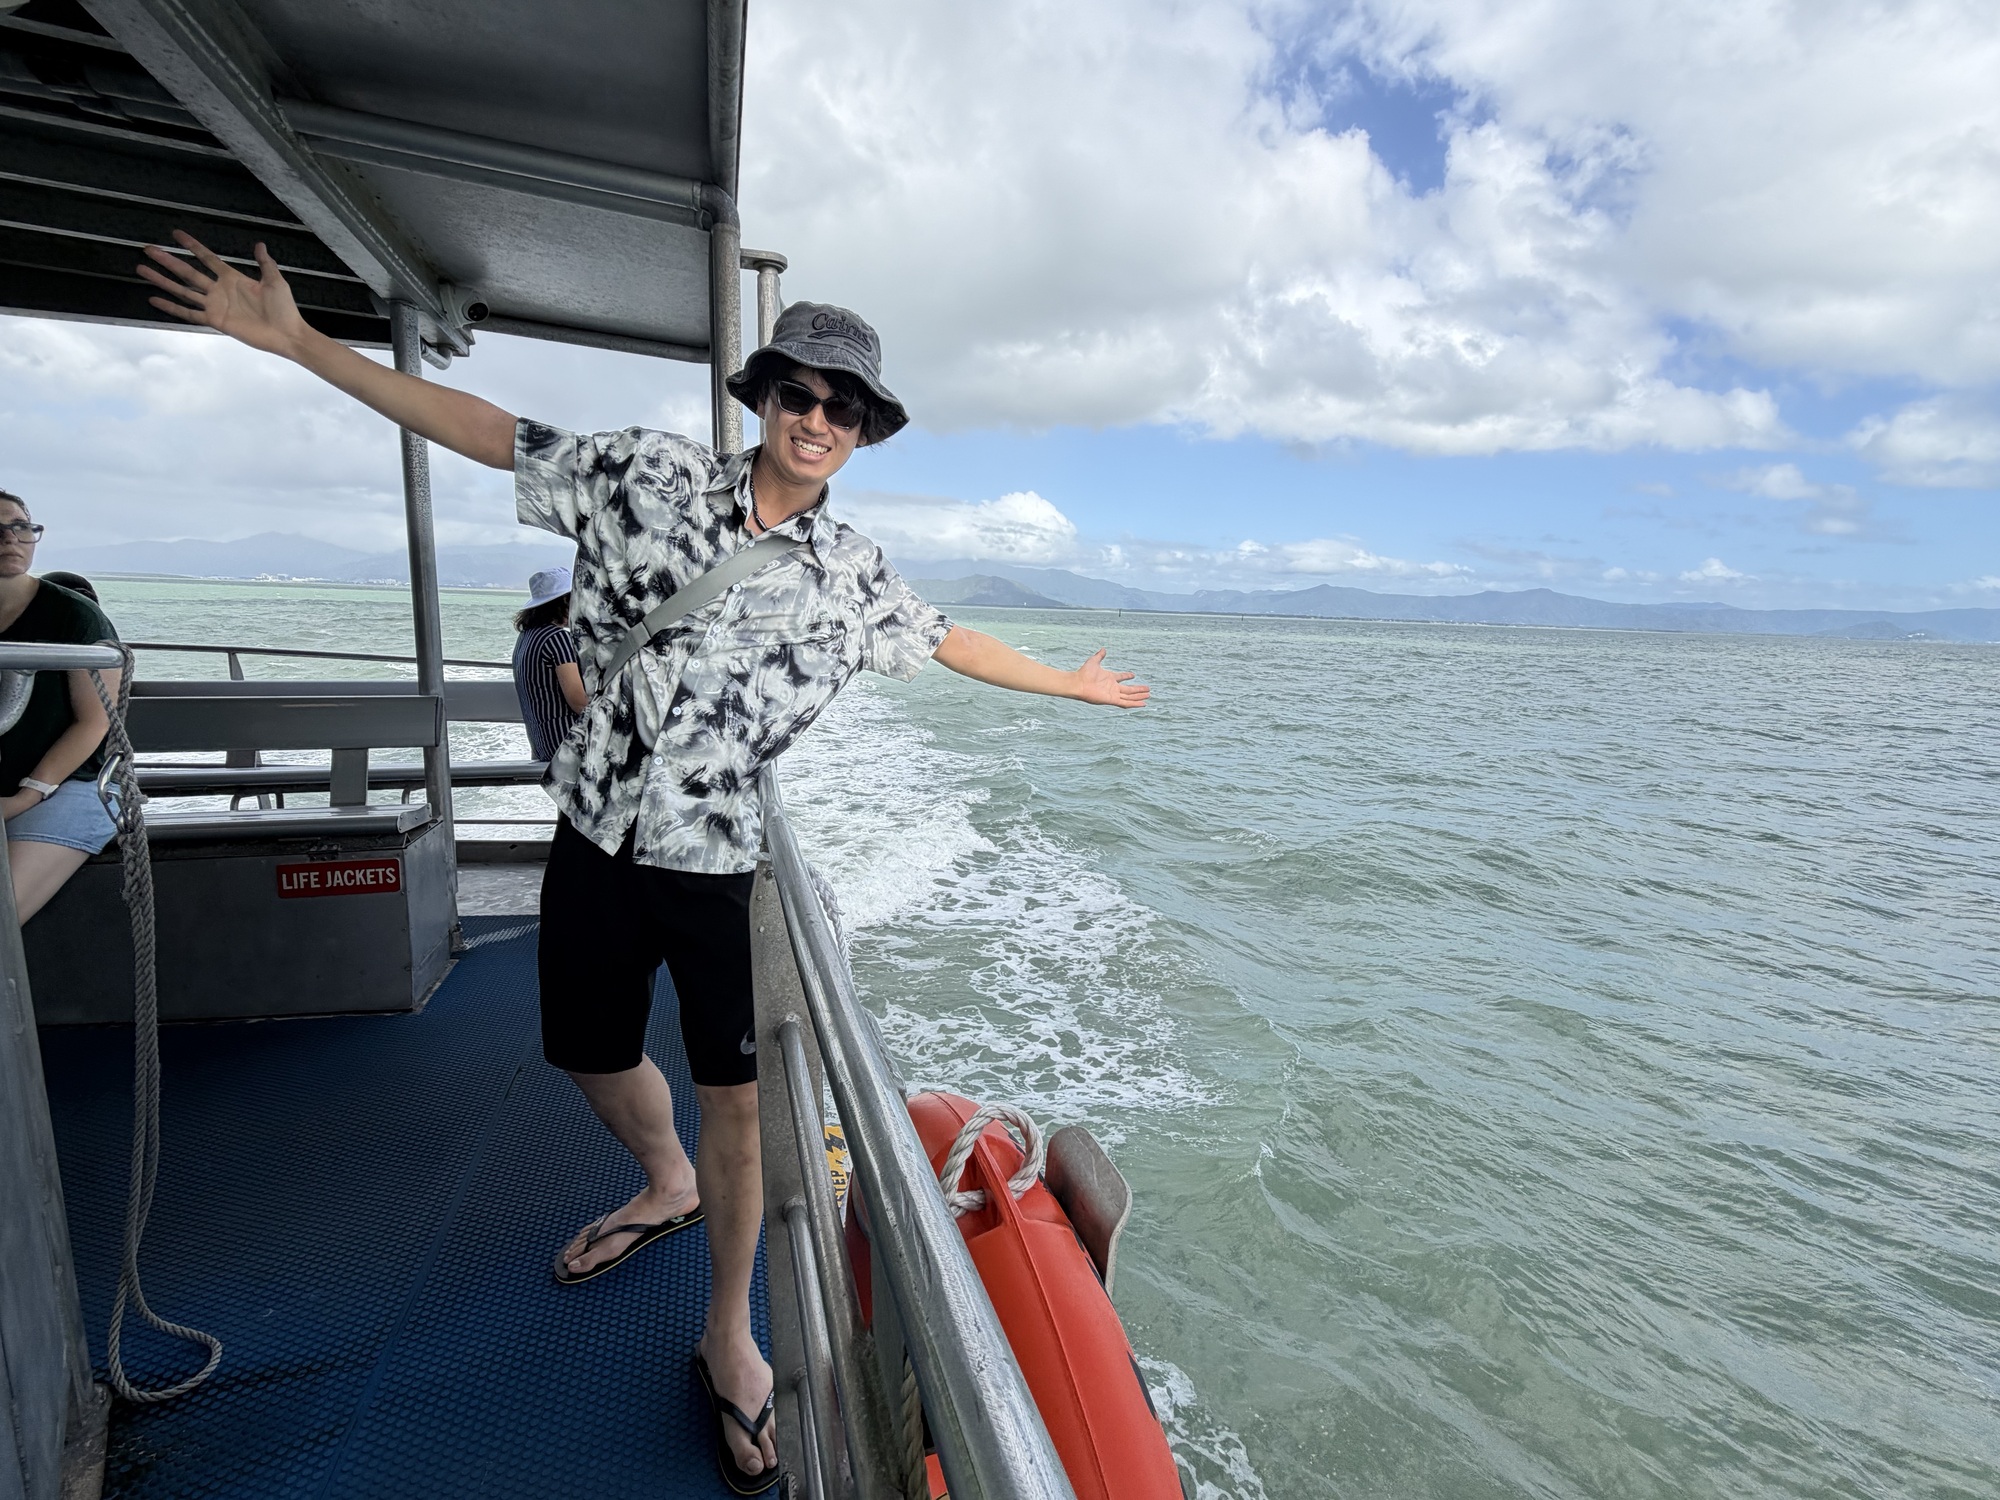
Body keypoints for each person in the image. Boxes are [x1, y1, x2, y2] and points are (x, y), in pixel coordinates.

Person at [137, 230, 1149, 1492]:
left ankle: (729, 1337)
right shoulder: (646, 477)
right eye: (798, 392)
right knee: (588, 1054)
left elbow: (949, 642)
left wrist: (1067, 681)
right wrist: (300, 345)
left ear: (866, 431)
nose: (816, 417)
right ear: (765, 398)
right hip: (599, 829)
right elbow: (485, 427)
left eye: (842, 405)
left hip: (717, 858)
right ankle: (660, 1178)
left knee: (738, 1102)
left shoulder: (853, 579)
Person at [0, 495, 124, 922]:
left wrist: (25, 796)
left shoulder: (74, 617)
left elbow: (94, 722)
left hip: (71, 784)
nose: (10, 539)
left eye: (20, 527)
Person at [512, 565, 586, 761]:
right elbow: (578, 701)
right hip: (566, 745)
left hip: (542, 745)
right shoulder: (556, 638)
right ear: (564, 601)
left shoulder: (526, 637)